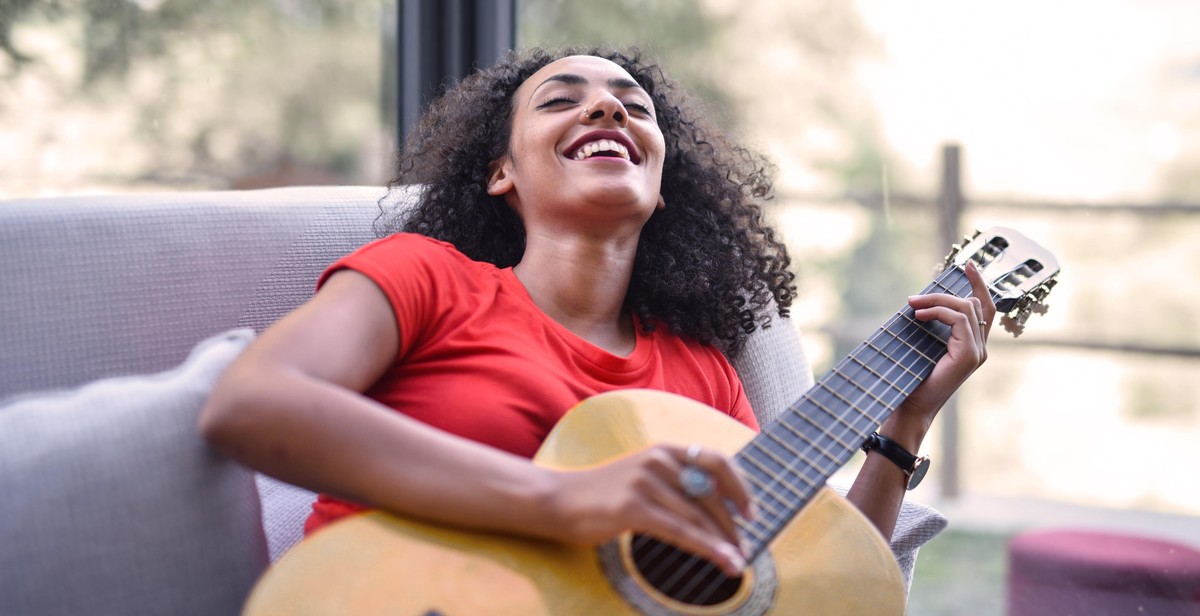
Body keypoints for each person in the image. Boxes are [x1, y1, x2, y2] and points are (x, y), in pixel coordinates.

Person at [198, 47, 994, 579]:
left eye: (633, 106)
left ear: (661, 174)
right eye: (562, 100)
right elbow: (251, 405)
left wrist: (904, 430)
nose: (608, 112)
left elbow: (798, 585)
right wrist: (564, 501)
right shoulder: (425, 278)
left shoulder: (703, 372)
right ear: (501, 171)